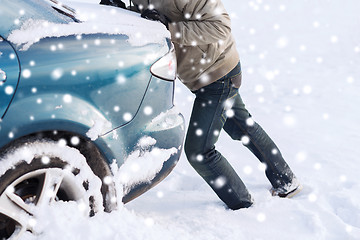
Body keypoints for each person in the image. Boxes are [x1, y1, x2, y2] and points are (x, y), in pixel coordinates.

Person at [127, 0, 302, 210]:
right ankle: (286, 181)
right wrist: (120, 10)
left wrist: (170, 29)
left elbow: (220, 26)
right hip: (203, 76)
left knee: (199, 152)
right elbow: (149, 18)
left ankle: (243, 206)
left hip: (219, 75)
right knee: (241, 127)